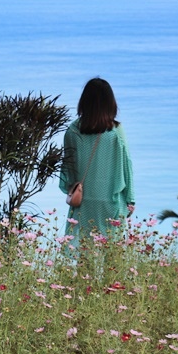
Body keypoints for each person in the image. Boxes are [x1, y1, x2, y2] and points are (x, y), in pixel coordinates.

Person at [59, 77, 135, 254]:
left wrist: (72, 187)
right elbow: (126, 165)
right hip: (112, 200)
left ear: (84, 101)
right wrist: (130, 198)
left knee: (85, 252)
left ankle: (84, 282)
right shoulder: (115, 130)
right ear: (110, 103)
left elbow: (68, 168)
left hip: (84, 201)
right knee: (112, 256)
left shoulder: (73, 130)